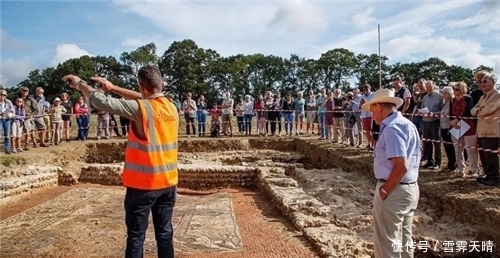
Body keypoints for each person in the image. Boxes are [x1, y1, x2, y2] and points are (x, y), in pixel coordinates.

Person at [62, 65, 179, 258]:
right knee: (165, 235)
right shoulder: (171, 107)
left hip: (143, 186)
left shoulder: (141, 109)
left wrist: (80, 84)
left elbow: (101, 101)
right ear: (162, 85)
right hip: (168, 183)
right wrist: (113, 87)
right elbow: (143, 97)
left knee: (136, 238)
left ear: (141, 87)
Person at [360, 89, 420, 258]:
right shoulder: (408, 124)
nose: (371, 115)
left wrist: (385, 190)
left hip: (394, 190)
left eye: (372, 110)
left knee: (387, 244)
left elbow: (400, 166)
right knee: (404, 239)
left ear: (379, 106)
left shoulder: (392, 128)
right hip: (409, 189)